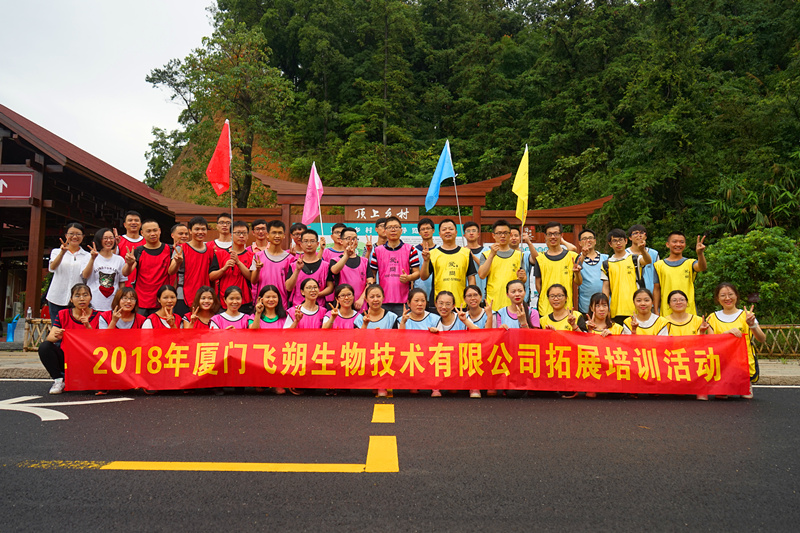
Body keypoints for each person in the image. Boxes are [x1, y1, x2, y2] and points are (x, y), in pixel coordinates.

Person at [706, 282, 766, 399]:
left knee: (746, 397)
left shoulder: (747, 316)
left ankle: (745, 383)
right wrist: (726, 334)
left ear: (736, 296)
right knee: (721, 397)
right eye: (723, 295)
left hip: (742, 363)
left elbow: (762, 339)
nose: (727, 298)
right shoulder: (712, 318)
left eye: (730, 294)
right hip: (722, 363)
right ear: (717, 299)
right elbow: (710, 343)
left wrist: (752, 325)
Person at [39, 283, 100, 394]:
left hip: (91, 359)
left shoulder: (99, 316)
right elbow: (50, 338)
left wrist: (88, 327)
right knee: (45, 347)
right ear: (71, 299)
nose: (82, 299)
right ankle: (59, 380)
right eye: (77, 295)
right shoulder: (63, 314)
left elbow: (101, 342)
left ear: (90, 298)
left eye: (85, 295)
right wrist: (58, 335)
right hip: (68, 358)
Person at [665, 289, 713, 400]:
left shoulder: (698, 320)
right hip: (675, 361)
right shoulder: (663, 321)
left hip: (695, 359)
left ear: (687, 302)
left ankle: (700, 387)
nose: (678, 302)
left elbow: (712, 340)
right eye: (674, 300)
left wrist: (702, 332)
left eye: (682, 299)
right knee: (679, 394)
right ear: (669, 304)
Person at [369, 216, 420, 316]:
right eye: (390, 227)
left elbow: (417, 273)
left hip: (404, 301)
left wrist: (408, 278)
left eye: (396, 227)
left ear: (401, 230)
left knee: (403, 329)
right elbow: (372, 274)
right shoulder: (377, 251)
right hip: (382, 300)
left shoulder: (410, 249)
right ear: (385, 231)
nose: (393, 230)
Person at [420, 219, 477, 308]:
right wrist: (426, 261)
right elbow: (423, 277)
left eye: (450, 229)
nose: (447, 231)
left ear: (456, 232)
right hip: (438, 304)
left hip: (460, 303)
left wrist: (472, 298)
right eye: (444, 229)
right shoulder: (433, 253)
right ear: (439, 234)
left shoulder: (465, 253)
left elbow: (471, 278)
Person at [355, 284, 399, 398]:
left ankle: (382, 384)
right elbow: (357, 341)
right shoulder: (359, 318)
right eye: (372, 296)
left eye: (378, 296)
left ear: (383, 298)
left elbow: (397, 339)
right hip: (366, 353)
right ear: (366, 299)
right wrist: (365, 325)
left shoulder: (392, 317)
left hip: (386, 353)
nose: (375, 299)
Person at [601, 228, 652, 324]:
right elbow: (605, 288)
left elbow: (648, 261)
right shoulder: (606, 264)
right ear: (610, 244)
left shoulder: (634, 259)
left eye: (620, 240)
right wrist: (605, 307)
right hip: (615, 310)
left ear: (626, 241)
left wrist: (643, 250)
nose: (618, 243)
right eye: (615, 241)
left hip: (635, 309)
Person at [122, 220, 172, 316]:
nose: (152, 234)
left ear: (160, 231)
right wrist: (129, 264)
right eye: (148, 231)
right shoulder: (138, 252)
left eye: (155, 230)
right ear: (142, 233)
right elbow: (125, 272)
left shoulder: (169, 250)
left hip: (162, 300)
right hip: (142, 301)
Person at [653, 232, 708, 316]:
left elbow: (702, 267)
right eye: (674, 241)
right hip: (667, 311)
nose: (678, 244)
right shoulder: (659, 265)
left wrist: (700, 254)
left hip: (688, 311)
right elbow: (656, 289)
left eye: (681, 242)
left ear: (685, 245)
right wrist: (656, 310)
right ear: (668, 244)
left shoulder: (690, 263)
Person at [534, 222, 582, 317]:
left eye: (556, 234)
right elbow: (538, 285)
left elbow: (579, 282)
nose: (553, 237)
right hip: (545, 309)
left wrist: (577, 273)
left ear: (561, 235)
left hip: (566, 308)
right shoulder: (540, 258)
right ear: (545, 236)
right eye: (549, 234)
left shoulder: (572, 257)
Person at [169, 216, 213, 316]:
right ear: (190, 231)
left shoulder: (210, 250)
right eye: (197, 229)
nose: (200, 232)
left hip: (204, 296)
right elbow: (170, 271)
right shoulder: (181, 248)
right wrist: (177, 262)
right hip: (183, 295)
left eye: (203, 229)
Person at [45, 222, 91, 317]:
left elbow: (85, 276)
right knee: (57, 329)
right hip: (56, 297)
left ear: (83, 236)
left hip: (78, 300)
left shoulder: (87, 255)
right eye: (71, 234)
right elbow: (52, 268)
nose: (75, 237)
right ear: (66, 235)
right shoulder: (56, 251)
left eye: (78, 234)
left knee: (74, 329)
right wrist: (62, 253)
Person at [478, 220, 525, 309]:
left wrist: (523, 277)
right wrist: (492, 255)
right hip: (493, 303)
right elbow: (482, 275)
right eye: (499, 233)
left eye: (505, 233)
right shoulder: (486, 255)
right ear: (493, 235)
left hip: (513, 305)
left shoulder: (519, 255)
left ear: (510, 235)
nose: (502, 236)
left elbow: (523, 279)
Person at [210, 221, 254, 313]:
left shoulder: (252, 256)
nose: (241, 236)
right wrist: (224, 268)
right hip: (224, 301)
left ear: (247, 236)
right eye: (238, 233)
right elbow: (211, 276)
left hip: (245, 301)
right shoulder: (220, 254)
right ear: (231, 235)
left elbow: (252, 278)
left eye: (244, 233)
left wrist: (238, 262)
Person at [250, 220, 296, 307]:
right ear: (267, 235)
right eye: (274, 233)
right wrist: (258, 269)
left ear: (284, 236)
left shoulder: (290, 259)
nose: (277, 236)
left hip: (282, 305)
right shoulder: (258, 256)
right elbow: (253, 281)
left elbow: (290, 287)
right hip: (261, 304)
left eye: (280, 233)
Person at [286, 229, 334, 307]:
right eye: (305, 241)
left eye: (312, 241)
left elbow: (330, 287)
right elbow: (288, 287)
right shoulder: (294, 265)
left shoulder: (325, 266)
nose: (309, 244)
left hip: (319, 308)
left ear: (317, 244)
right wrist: (297, 270)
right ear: (301, 244)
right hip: (298, 307)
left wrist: (316, 294)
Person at [82, 227, 126, 312]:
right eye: (105, 238)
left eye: (111, 238)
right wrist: (92, 259)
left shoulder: (119, 259)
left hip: (112, 306)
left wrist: (120, 300)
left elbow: (122, 282)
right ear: (99, 240)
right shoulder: (89, 256)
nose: (109, 240)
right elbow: (85, 275)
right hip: (93, 304)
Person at [330, 227, 372, 312]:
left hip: (361, 306)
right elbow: (334, 270)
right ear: (341, 241)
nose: (352, 241)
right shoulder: (335, 260)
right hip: (342, 306)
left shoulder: (364, 261)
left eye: (354, 238)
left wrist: (361, 299)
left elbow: (370, 282)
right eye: (348, 238)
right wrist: (347, 255)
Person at [574, 229, 608, 314]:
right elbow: (577, 282)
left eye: (590, 238)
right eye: (584, 239)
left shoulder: (605, 258)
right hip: (586, 305)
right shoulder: (577, 260)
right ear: (579, 243)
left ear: (595, 241)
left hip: (604, 305)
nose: (588, 240)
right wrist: (583, 255)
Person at [414, 218, 438, 311]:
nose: (426, 231)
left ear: (433, 230)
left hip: (436, 295)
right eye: (423, 229)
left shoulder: (439, 250)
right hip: (419, 293)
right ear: (419, 232)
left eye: (428, 228)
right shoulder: (414, 250)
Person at [627, 224, 659, 292]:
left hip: (651, 293)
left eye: (641, 233)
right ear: (630, 237)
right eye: (635, 233)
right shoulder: (625, 254)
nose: (639, 235)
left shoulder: (654, 254)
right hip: (631, 292)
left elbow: (658, 274)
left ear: (645, 236)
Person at [116, 210, 144, 287]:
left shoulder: (147, 242)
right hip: (122, 285)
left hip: (142, 285)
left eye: (136, 220)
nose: (133, 222)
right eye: (130, 220)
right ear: (124, 224)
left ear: (141, 224)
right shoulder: (119, 241)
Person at [463, 221, 488, 301]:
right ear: (464, 235)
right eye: (468, 231)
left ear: (478, 234)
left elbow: (488, 268)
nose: (471, 233)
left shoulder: (487, 251)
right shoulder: (461, 251)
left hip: (484, 292)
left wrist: (472, 256)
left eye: (474, 231)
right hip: (466, 294)